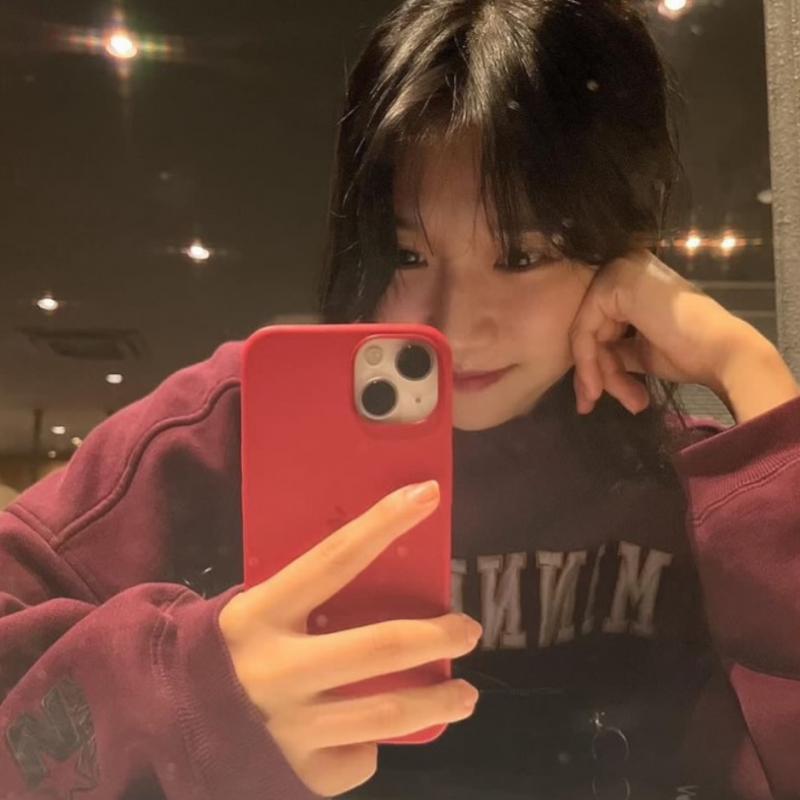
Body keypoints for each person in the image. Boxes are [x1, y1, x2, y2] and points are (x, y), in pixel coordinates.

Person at [1, 1, 798, 798]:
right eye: (408, 253)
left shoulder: (691, 487)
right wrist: (190, 695)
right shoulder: (228, 431)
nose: (452, 325)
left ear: (623, 249)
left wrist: (748, 371)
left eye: (523, 256)